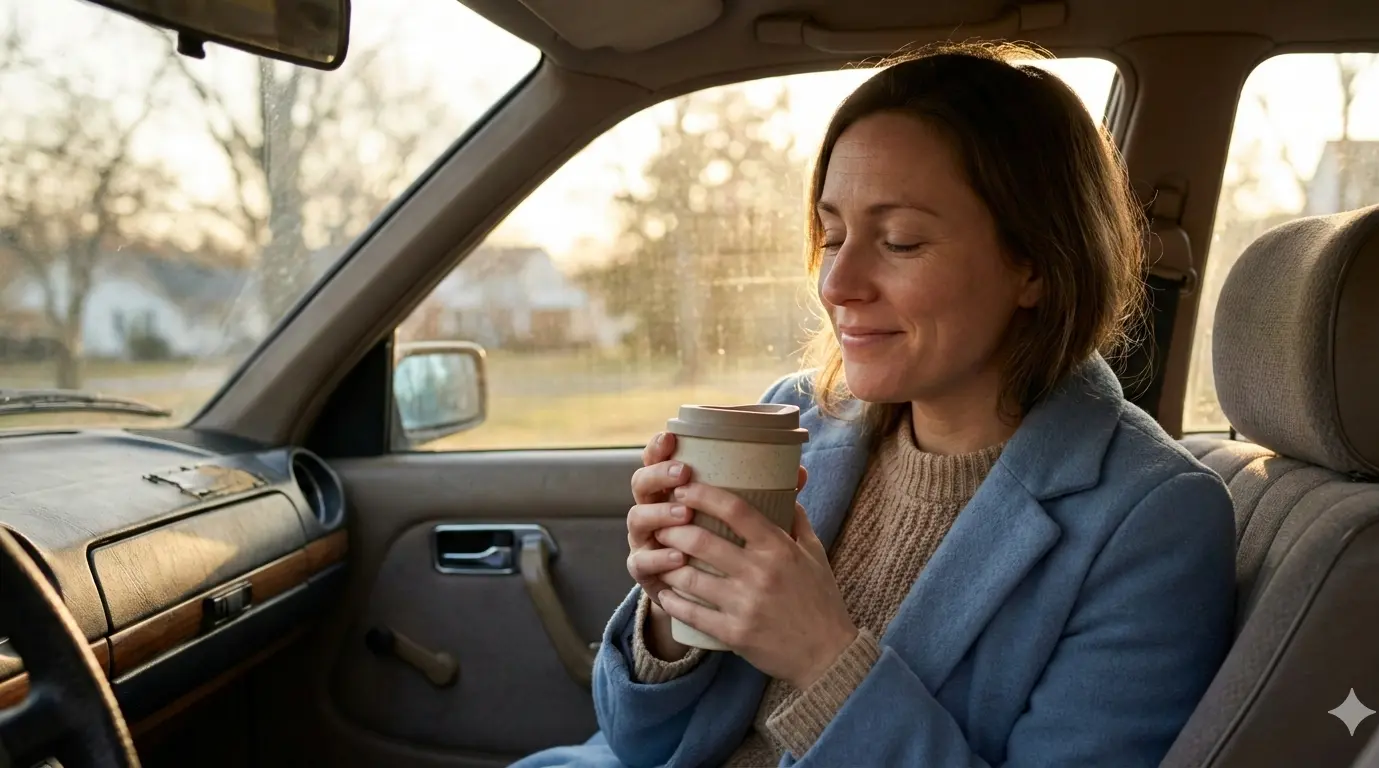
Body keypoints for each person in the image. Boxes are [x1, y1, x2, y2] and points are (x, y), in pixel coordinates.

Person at [513, 42, 1236, 768]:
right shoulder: (795, 418)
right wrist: (678, 611)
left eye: (900, 241)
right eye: (832, 236)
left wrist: (821, 657)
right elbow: (642, 744)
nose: (837, 283)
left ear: (1037, 265)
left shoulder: (1155, 522)